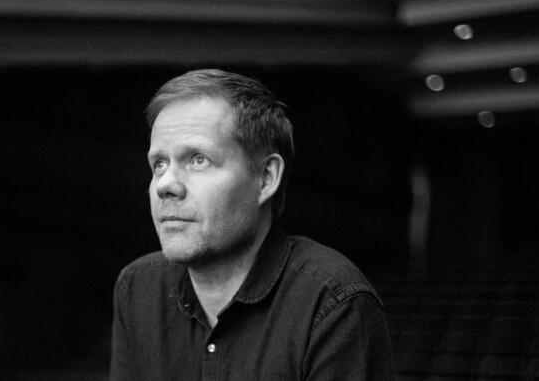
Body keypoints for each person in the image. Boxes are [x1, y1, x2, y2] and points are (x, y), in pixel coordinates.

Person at [110, 69, 394, 380]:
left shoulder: (333, 301)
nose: (165, 184)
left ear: (266, 178)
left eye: (198, 159)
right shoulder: (137, 287)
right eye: (159, 163)